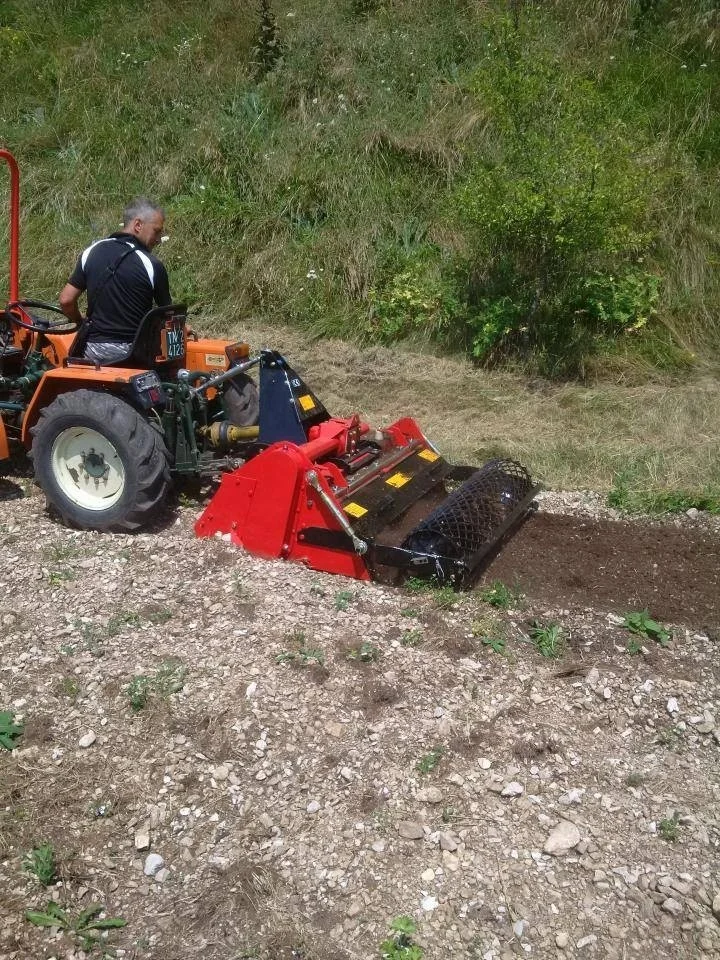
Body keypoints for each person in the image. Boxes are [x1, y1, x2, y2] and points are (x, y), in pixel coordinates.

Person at [59, 198, 171, 364]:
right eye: (156, 231)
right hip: (133, 354)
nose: (159, 239)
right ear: (138, 225)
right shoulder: (151, 264)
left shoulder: (91, 252)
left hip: (93, 352)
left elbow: (66, 300)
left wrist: (80, 322)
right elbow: (168, 318)